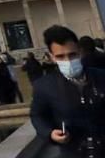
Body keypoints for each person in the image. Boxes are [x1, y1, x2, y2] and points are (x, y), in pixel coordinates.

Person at [30, 25, 105, 156]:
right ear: (52, 57)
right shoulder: (44, 86)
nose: (68, 61)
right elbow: (37, 115)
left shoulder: (101, 77)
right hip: (73, 151)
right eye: (60, 56)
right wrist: (50, 133)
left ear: (80, 51)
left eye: (72, 54)